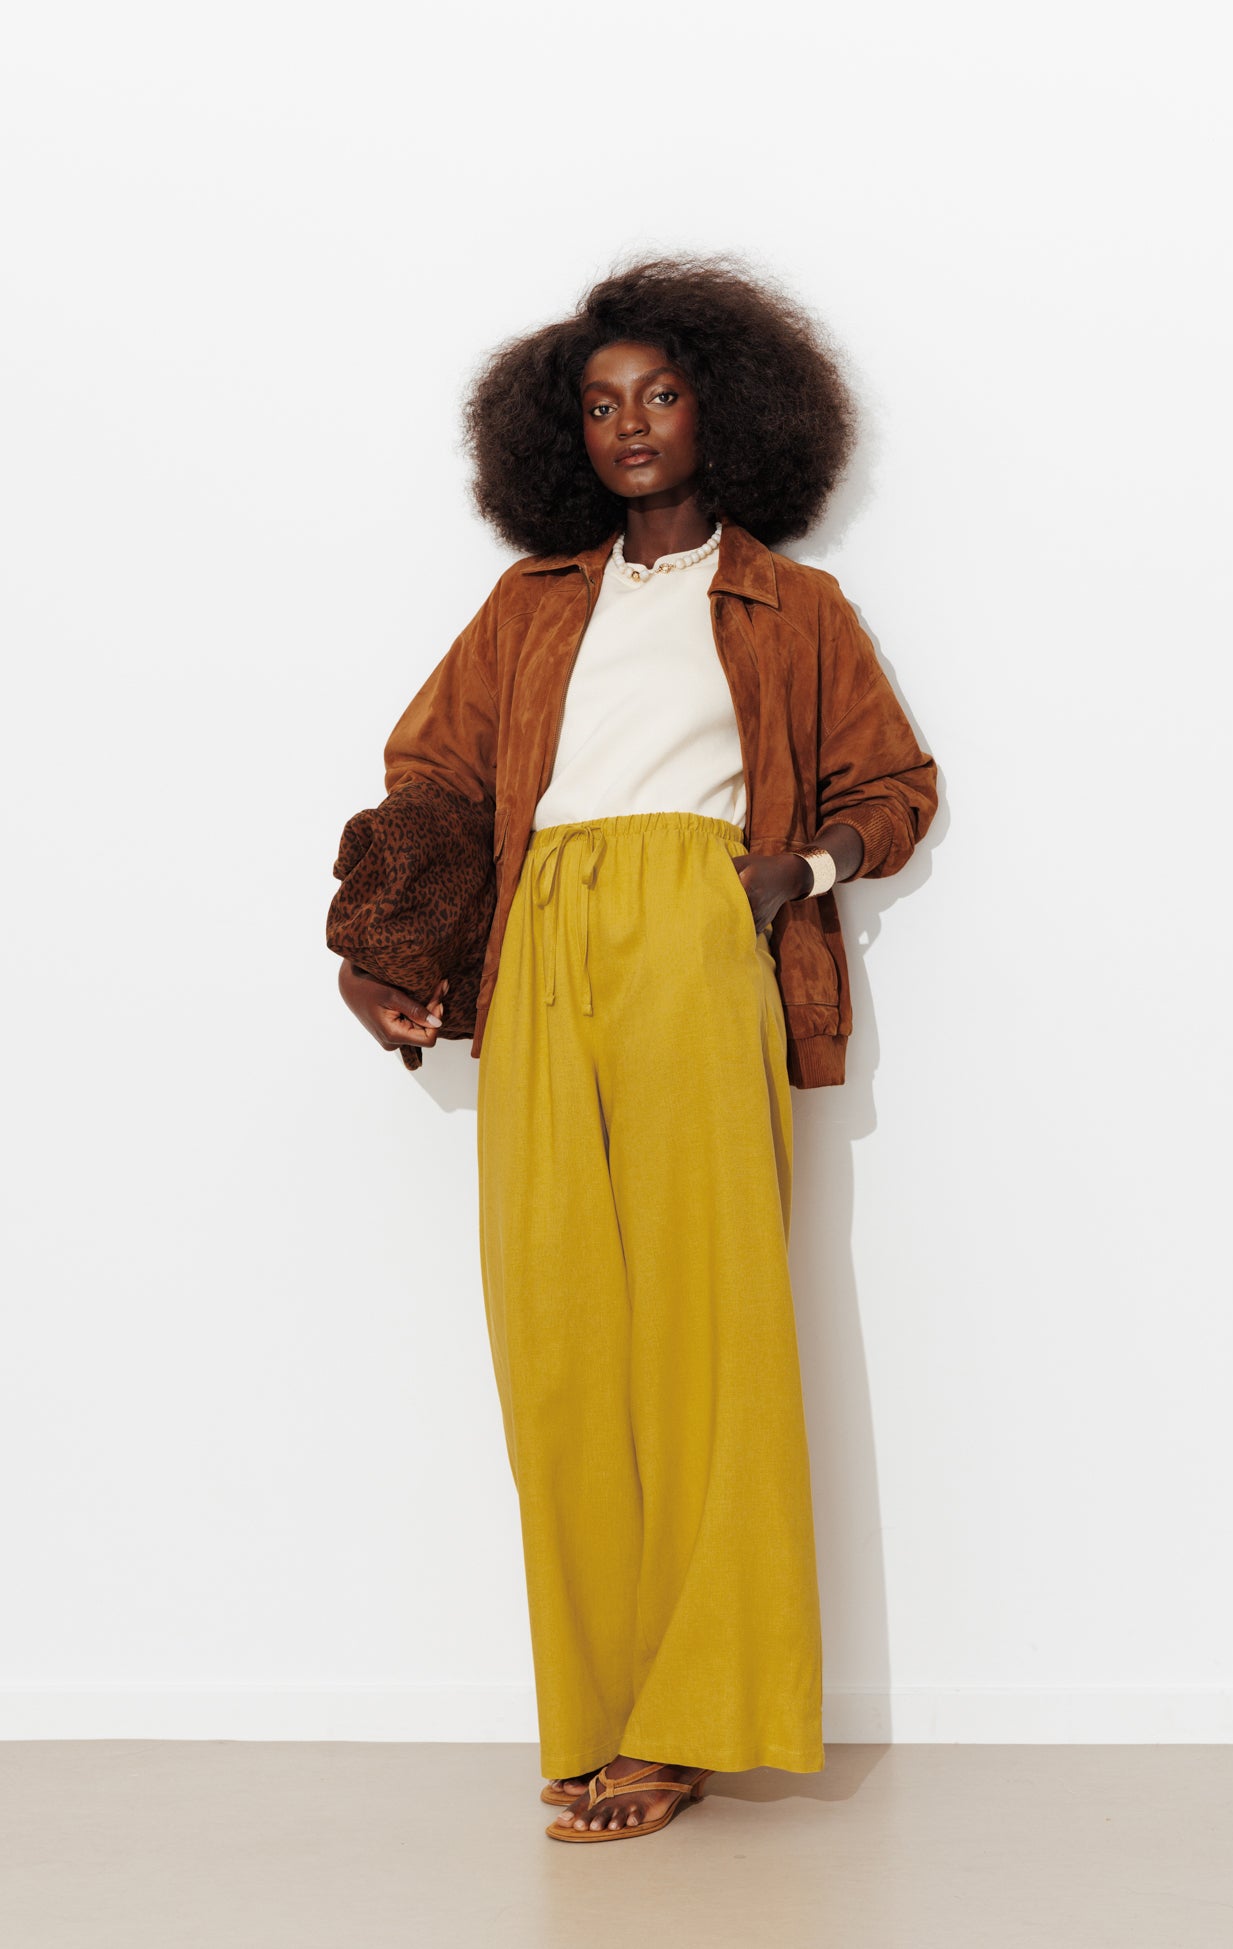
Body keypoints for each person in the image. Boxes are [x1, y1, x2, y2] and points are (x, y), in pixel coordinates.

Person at [337, 255, 938, 1842]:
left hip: (695, 925)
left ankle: (691, 1720)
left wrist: (797, 872)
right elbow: (433, 778)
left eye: (661, 393)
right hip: (542, 937)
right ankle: (599, 1706)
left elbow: (895, 784)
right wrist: (379, 952)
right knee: (557, 1331)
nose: (632, 425)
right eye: (602, 404)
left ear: (723, 408)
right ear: (566, 433)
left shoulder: (793, 607)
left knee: (707, 1326)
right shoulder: (532, 604)